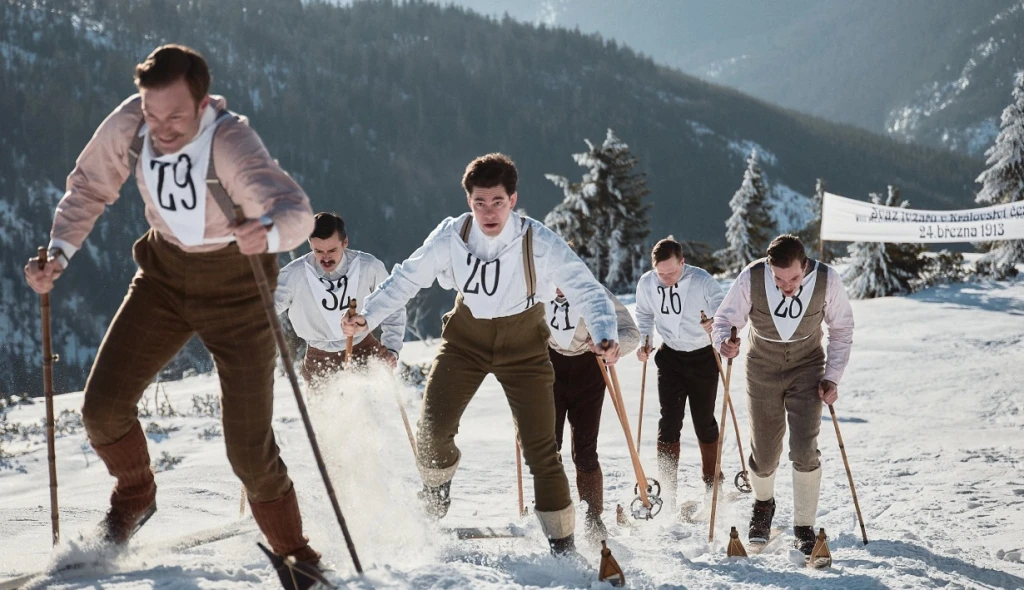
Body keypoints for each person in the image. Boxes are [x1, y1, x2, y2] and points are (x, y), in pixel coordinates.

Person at [23, 45, 322, 571]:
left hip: (238, 290)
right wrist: (60, 252)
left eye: (176, 115)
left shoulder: (229, 141)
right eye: (152, 111)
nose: (161, 127)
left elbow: (295, 212)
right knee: (102, 410)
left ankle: (297, 558)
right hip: (163, 276)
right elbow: (91, 184)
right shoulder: (132, 125)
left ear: (203, 103)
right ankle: (136, 494)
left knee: (249, 453)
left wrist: (268, 232)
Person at [341, 153, 620, 555]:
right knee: (432, 429)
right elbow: (406, 278)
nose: (489, 212)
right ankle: (436, 493)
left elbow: (587, 289)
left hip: (524, 345)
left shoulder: (537, 240)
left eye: (498, 202)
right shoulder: (451, 236)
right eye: (479, 203)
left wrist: (605, 332)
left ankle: (563, 546)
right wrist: (366, 318)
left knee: (542, 449)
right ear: (468, 201)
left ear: (513, 199)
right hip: (466, 340)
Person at [712, 234, 854, 554]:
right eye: (778, 278)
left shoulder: (826, 279)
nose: (786, 286)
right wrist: (725, 341)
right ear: (768, 267)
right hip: (762, 366)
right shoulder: (752, 276)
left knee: (804, 448)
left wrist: (832, 377)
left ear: (805, 266)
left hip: (808, 367)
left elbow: (842, 329)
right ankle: (763, 505)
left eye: (793, 278)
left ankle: (804, 525)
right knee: (763, 455)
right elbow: (725, 320)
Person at [634, 237, 726, 514]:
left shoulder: (701, 280)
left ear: (682, 263)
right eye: (661, 273)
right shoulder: (647, 283)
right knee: (669, 421)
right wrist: (645, 340)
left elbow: (723, 306)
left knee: (704, 421)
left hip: (703, 357)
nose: (666, 279)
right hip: (671, 357)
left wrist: (716, 322)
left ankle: (713, 484)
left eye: (671, 272)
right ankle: (667, 488)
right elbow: (644, 314)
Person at [545, 284, 639, 543]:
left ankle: (593, 518)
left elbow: (631, 333)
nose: (559, 284)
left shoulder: (593, 291)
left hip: (589, 366)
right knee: (547, 447)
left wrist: (609, 345)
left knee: (585, 450)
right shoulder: (535, 289)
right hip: (548, 365)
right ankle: (553, 512)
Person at [275, 212, 405, 391]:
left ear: (345, 243)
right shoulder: (294, 275)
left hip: (364, 349)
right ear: (310, 245)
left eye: (332, 250)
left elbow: (392, 305)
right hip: (319, 357)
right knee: (327, 417)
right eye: (318, 251)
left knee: (378, 411)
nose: (325, 257)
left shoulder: (368, 267)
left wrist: (392, 348)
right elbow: (266, 308)